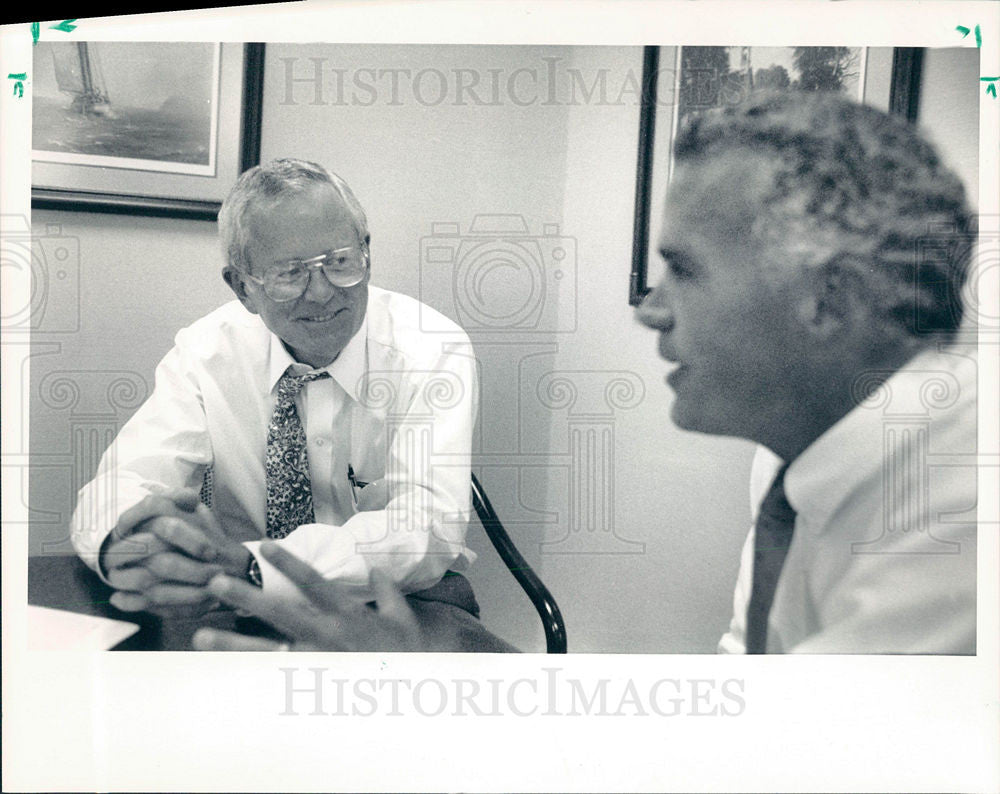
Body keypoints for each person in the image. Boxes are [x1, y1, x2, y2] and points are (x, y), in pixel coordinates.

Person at [192, 92, 977, 654]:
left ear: (828, 299)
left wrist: (422, 701)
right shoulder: (799, 444)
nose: (649, 310)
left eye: (684, 270)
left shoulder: (959, 513)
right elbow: (747, 712)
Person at [71, 158, 514, 650]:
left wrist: (257, 565)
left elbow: (426, 526)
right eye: (290, 274)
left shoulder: (433, 347)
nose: (322, 293)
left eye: (340, 262)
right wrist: (131, 546)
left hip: (403, 598)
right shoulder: (205, 351)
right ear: (243, 288)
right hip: (235, 595)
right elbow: (125, 481)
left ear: (366, 254)